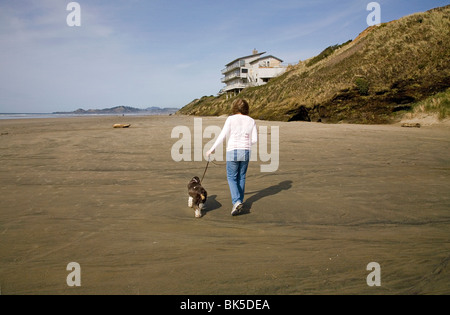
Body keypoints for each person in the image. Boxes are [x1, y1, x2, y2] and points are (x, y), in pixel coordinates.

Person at [206, 99, 258, 216]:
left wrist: (212, 149)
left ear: (235, 108)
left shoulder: (230, 119)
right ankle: (239, 201)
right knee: (241, 176)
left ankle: (236, 202)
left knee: (231, 177)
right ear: (246, 108)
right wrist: (245, 143)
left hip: (233, 150)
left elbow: (222, 135)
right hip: (246, 151)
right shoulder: (251, 121)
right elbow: (254, 139)